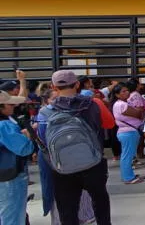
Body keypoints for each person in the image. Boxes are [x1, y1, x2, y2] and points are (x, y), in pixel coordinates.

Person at [48, 70, 113, 225]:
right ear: (77, 84)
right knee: (100, 200)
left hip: (62, 166)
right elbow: (109, 124)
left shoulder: (47, 110)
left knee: (67, 208)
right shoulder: (94, 103)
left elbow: (44, 139)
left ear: (53, 87)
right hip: (93, 161)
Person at [36, 89, 97, 224]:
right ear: (46, 101)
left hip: (72, 154)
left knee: (79, 187)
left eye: (59, 98)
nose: (57, 101)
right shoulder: (44, 114)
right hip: (55, 157)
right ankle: (60, 219)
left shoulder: (70, 109)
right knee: (58, 189)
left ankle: (84, 214)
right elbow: (43, 139)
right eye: (54, 98)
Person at [0, 91, 33, 225]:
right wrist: (27, 136)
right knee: (12, 217)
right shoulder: (4, 125)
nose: (14, 106)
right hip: (9, 177)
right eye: (10, 104)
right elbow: (24, 149)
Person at [110, 83, 144, 184]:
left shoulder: (122, 103)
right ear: (117, 95)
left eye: (127, 90)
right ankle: (128, 178)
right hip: (128, 132)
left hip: (128, 132)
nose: (127, 92)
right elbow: (139, 113)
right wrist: (139, 110)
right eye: (123, 91)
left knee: (128, 155)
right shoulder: (122, 105)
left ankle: (129, 174)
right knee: (127, 156)